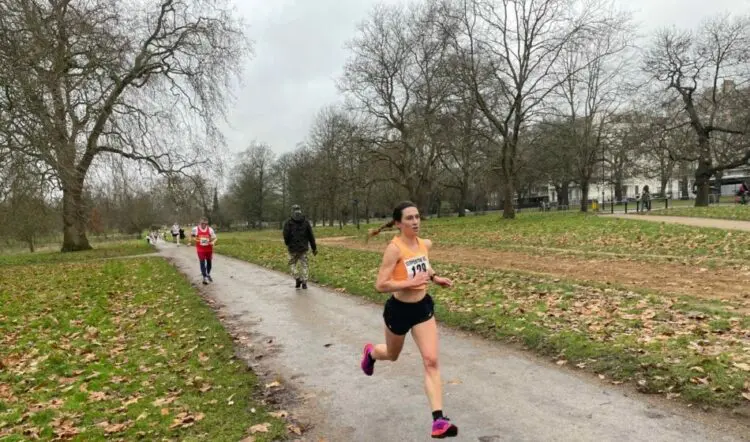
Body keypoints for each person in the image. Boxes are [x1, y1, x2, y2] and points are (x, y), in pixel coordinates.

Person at [360, 201, 458, 439]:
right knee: (392, 355)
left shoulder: (424, 243)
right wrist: (408, 283)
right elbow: (380, 284)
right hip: (399, 311)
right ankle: (371, 353)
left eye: (417, 217)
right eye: (409, 218)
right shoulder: (394, 249)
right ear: (398, 223)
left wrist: (435, 277)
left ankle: (438, 421)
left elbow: (424, 263)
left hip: (422, 308)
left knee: (431, 361)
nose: (415, 222)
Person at [282, 204, 317, 289]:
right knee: (304, 265)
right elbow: (311, 236)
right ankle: (304, 282)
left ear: (292, 211)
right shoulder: (306, 222)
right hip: (303, 248)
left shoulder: (288, 222)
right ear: (300, 210)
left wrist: (287, 243)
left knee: (291, 264)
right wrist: (314, 248)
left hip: (292, 248)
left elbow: (285, 235)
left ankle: (297, 278)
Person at [190, 217, 217, 285]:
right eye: (202, 223)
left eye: (205, 223)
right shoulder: (195, 229)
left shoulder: (210, 229)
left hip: (209, 249)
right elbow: (192, 235)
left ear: (207, 223)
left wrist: (213, 242)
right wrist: (194, 240)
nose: (204, 225)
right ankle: (205, 277)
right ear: (200, 223)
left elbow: (215, 238)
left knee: (209, 262)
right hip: (200, 249)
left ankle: (208, 274)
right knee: (202, 262)